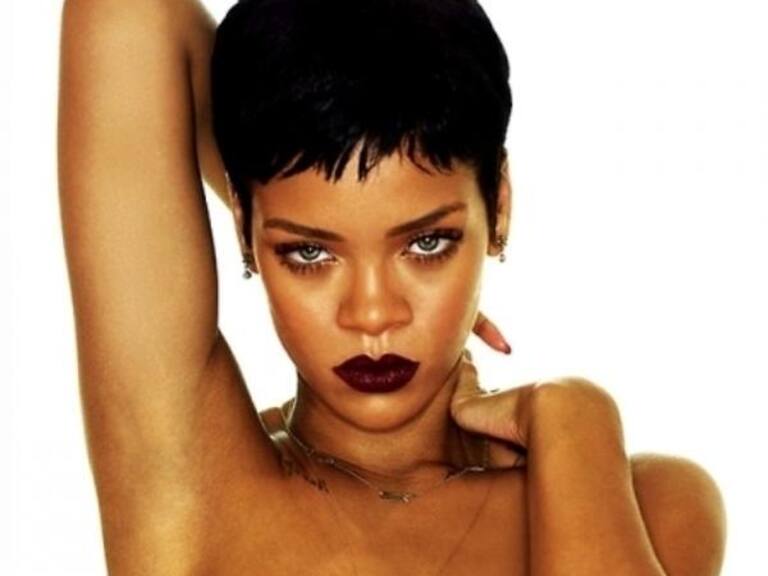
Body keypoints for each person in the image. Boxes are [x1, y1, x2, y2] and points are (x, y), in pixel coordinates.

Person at [58, 0, 726, 574]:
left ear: (498, 209)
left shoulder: (650, 502)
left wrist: (573, 411)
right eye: (309, 251)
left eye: (426, 243)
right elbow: (129, 15)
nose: (373, 312)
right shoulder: (194, 486)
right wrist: (282, 138)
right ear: (246, 231)